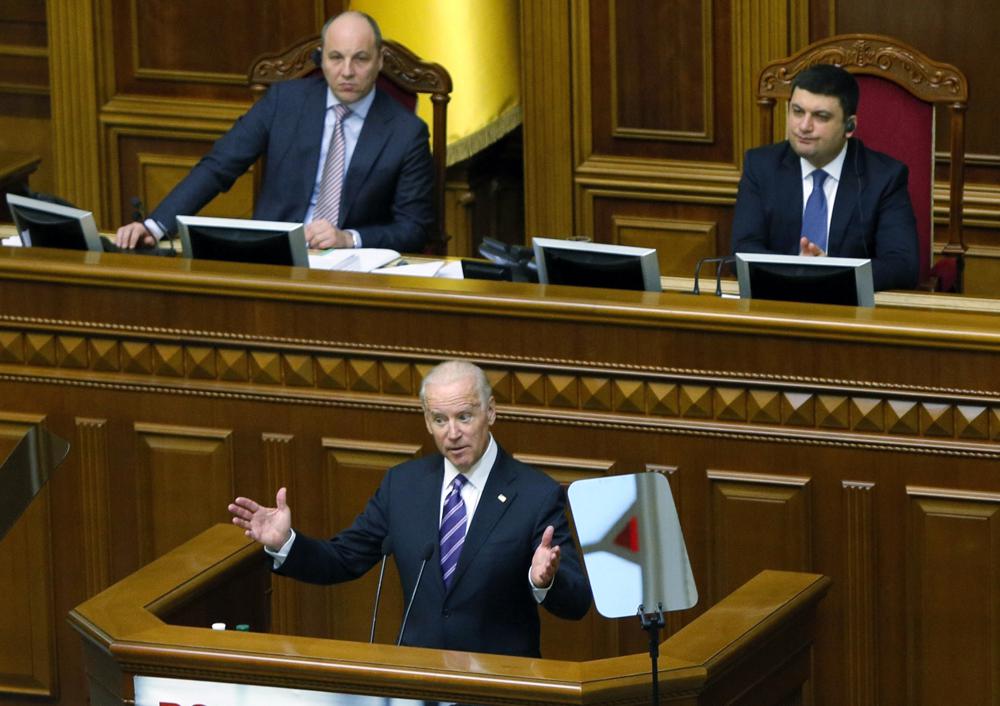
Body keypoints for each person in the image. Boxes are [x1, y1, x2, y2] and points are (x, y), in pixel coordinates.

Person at [228, 360, 593, 658]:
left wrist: (543, 580)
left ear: (491, 412)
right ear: (426, 420)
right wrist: (286, 542)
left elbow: (576, 601)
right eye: (439, 419)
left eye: (464, 417)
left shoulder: (534, 494)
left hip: (498, 688)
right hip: (417, 683)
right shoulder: (403, 485)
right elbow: (343, 559)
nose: (452, 433)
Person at [116, 11, 433, 253]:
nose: (347, 71)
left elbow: (415, 227)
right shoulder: (284, 101)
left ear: (379, 61)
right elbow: (218, 167)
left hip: (351, 270)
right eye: (336, 58)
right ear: (321, 59)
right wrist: (156, 226)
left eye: (360, 59)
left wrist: (349, 238)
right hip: (274, 255)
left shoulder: (407, 133)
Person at [731, 64, 919, 291]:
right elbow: (743, 249)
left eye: (820, 116)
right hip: (775, 304)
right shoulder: (761, 166)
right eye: (797, 111)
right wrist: (798, 272)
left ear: (849, 127)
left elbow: (902, 266)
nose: (804, 126)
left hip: (851, 314)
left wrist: (831, 274)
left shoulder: (884, 177)